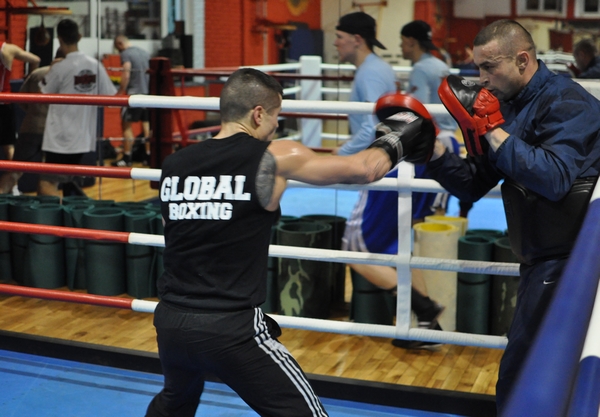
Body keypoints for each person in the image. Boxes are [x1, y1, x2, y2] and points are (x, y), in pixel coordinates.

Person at [146, 67, 436, 417]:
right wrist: (399, 134)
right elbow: (365, 169)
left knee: (175, 402)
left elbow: (173, 231)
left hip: (171, 322)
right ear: (258, 114)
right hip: (231, 329)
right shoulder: (273, 156)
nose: (275, 125)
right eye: (275, 116)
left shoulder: (175, 164)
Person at [432, 20, 600, 412]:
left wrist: (492, 129)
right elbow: (474, 184)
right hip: (539, 260)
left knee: (523, 374)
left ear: (522, 60)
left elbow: (554, 178)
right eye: (478, 67)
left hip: (573, 264)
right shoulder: (506, 105)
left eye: (490, 67)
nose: (481, 78)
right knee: (530, 372)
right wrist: (433, 155)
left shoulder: (567, 102)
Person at [38, 19, 117, 197]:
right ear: (79, 37)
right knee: (68, 183)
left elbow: (41, 94)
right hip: (83, 138)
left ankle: (57, 216)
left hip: (60, 139)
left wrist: (50, 70)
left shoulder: (60, 67)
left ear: (59, 39)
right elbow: (111, 98)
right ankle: (72, 213)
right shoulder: (95, 65)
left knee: (46, 183)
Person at [331, 11, 396, 155]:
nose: (335, 43)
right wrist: (352, 142)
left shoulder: (370, 72)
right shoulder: (377, 67)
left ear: (357, 40)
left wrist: (344, 152)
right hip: (381, 153)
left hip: (376, 157)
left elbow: (373, 128)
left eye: (339, 37)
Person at [0, 48, 64, 194]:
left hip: (31, 126)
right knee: (49, 177)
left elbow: (22, 99)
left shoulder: (38, 73)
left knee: (15, 171)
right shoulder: (67, 76)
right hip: (54, 131)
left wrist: (34, 112)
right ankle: (46, 208)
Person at [111, 34, 151, 167]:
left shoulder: (126, 54)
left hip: (134, 95)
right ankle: (148, 156)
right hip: (147, 94)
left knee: (126, 125)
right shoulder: (145, 53)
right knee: (146, 126)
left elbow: (126, 73)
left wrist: (120, 92)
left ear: (120, 44)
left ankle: (127, 157)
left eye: (118, 49)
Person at [0, 41, 41, 161]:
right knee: (8, 146)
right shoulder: (7, 49)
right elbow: (36, 60)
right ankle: (13, 173)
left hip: (4, 102)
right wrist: (30, 79)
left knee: (8, 146)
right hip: (4, 102)